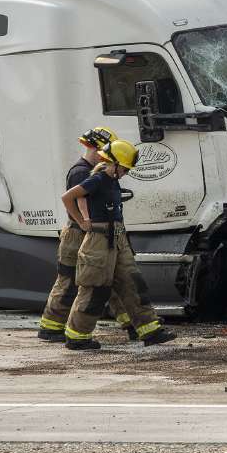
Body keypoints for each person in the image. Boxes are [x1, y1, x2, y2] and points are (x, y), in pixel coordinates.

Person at [61, 139, 176, 350]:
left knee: (133, 282)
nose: (126, 173)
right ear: (113, 164)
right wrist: (81, 221)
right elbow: (68, 197)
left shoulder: (113, 180)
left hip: (118, 238)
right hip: (99, 240)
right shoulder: (97, 179)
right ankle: (77, 336)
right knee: (94, 289)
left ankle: (150, 330)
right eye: (124, 169)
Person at [37, 127, 139, 343]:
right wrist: (84, 224)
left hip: (96, 236)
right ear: (96, 148)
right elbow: (75, 201)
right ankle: (51, 328)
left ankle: (131, 324)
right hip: (79, 235)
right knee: (69, 283)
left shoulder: (99, 173)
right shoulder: (81, 172)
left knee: (105, 281)